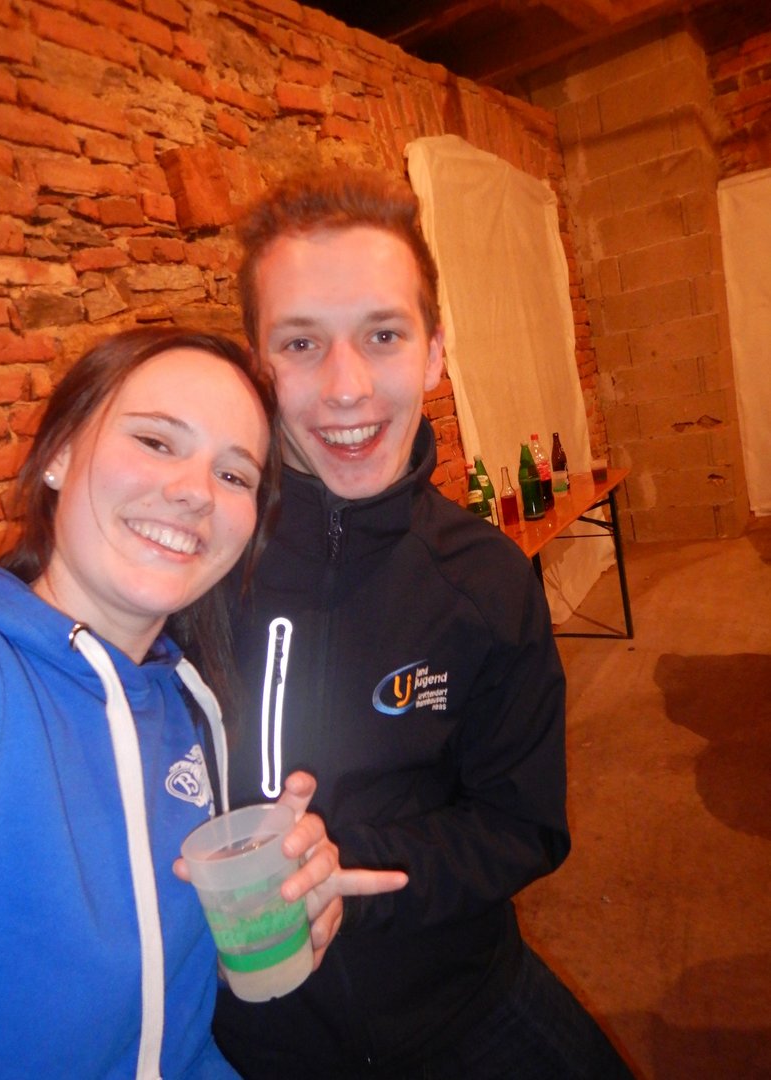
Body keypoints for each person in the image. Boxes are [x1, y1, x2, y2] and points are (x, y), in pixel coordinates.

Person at [211, 170, 634, 1078]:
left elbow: (523, 826)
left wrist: (350, 871)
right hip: (256, 1038)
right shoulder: (201, 564)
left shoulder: (485, 580)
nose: (348, 388)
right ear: (258, 368)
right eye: (301, 343)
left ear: (435, 354)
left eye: (383, 335)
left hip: (462, 997)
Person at [0, 326, 406, 1079]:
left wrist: (261, 927)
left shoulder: (189, 706)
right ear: (60, 452)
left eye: (234, 475)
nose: (196, 492)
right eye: (157, 442)